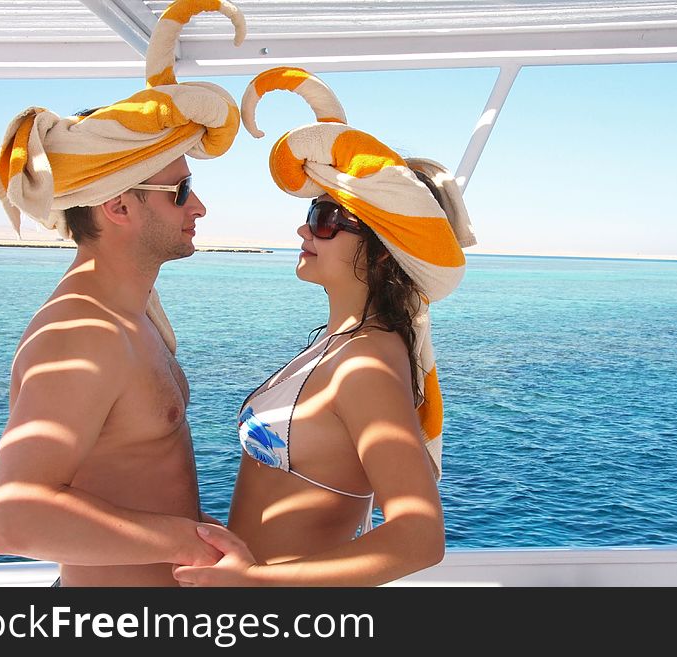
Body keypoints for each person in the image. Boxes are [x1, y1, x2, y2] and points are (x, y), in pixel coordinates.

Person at [173, 68, 476, 586]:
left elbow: (419, 537)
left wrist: (253, 582)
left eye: (328, 217)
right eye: (316, 212)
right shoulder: (341, 345)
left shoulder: (366, 363)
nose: (305, 227)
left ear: (384, 252)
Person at [0, 0, 246, 587]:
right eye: (180, 191)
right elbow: (12, 518)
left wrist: (196, 533)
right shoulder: (82, 334)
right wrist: (191, 544)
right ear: (118, 206)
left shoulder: (133, 314)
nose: (198, 206)